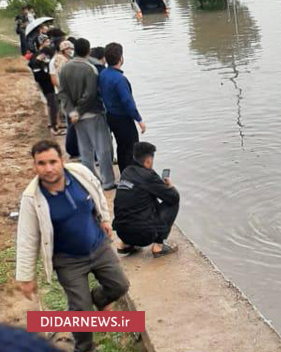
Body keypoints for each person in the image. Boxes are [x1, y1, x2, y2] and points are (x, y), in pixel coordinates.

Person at [15, 140, 129, 352]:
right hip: (68, 261)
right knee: (80, 311)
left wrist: (104, 218)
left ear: (62, 161)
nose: (48, 169)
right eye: (41, 163)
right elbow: (27, 238)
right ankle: (84, 348)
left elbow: (96, 192)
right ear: (34, 166)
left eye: (52, 162)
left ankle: (99, 297)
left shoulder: (79, 173)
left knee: (120, 286)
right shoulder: (32, 198)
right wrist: (26, 276)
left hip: (98, 246)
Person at [58, 38, 116, 190]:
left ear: (74, 49)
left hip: (75, 118)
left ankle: (91, 180)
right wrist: (79, 110)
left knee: (85, 151)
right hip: (93, 113)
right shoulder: (90, 69)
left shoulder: (65, 68)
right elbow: (90, 95)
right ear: (88, 51)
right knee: (102, 149)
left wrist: (71, 112)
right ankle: (108, 182)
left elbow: (63, 93)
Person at [113, 142, 180, 257]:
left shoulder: (126, 172)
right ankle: (158, 246)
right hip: (144, 236)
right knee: (173, 202)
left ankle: (126, 244)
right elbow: (173, 197)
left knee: (136, 201)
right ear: (148, 161)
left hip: (122, 233)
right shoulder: (149, 176)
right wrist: (170, 186)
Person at [99, 43, 146, 172]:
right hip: (122, 118)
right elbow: (127, 101)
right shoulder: (120, 79)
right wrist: (139, 120)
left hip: (110, 115)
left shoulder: (103, 74)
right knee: (132, 148)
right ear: (121, 59)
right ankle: (132, 177)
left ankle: (123, 173)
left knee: (121, 146)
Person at [29, 47, 62, 136]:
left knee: (54, 106)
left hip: (49, 87)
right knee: (53, 106)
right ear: (43, 54)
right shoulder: (36, 63)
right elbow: (38, 78)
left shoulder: (43, 62)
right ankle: (53, 127)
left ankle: (54, 125)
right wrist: (48, 76)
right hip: (47, 88)